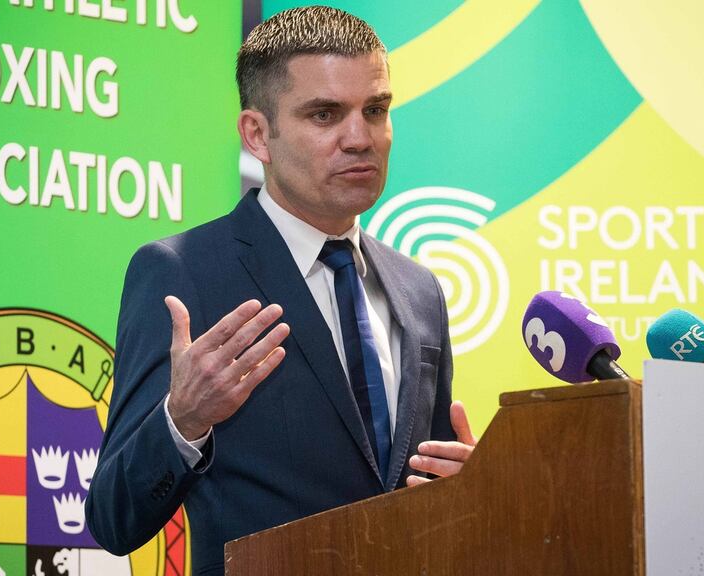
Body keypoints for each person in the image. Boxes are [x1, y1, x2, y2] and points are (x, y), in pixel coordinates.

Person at [86, 6, 477, 575]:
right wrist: (183, 419)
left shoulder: (420, 292)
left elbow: (427, 487)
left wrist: (471, 488)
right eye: (324, 114)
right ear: (257, 134)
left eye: (376, 110)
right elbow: (113, 518)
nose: (359, 138)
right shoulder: (183, 273)